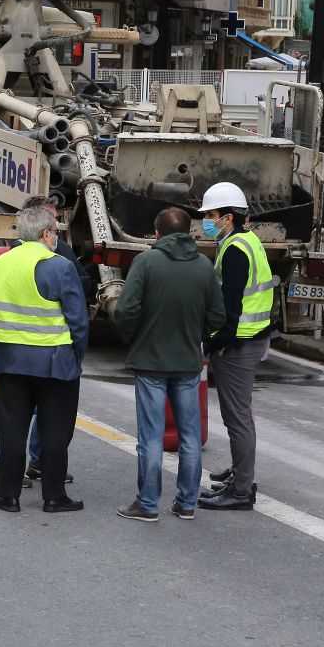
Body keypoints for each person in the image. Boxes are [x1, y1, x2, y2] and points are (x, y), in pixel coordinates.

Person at [0, 206, 88, 514]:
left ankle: (7, 496)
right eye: (56, 233)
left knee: (11, 429)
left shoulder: (0, 263)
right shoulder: (59, 266)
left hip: (10, 360)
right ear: (47, 234)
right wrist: (78, 354)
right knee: (54, 431)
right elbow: (78, 320)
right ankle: (54, 496)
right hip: (54, 362)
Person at [113, 206, 225, 522]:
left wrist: (134, 337)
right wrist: (196, 335)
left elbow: (126, 311)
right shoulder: (204, 267)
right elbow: (218, 316)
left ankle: (148, 505)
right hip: (189, 363)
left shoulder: (146, 263)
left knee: (150, 436)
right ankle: (186, 503)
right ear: (189, 232)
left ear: (157, 233)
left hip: (150, 361)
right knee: (190, 436)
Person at [197, 181, 277, 511]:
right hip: (251, 338)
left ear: (228, 217)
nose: (206, 221)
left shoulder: (234, 250)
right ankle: (239, 473)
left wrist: (216, 343)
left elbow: (231, 307)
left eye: (211, 215)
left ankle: (241, 490)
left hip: (239, 343)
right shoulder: (247, 240)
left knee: (237, 417)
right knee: (241, 413)